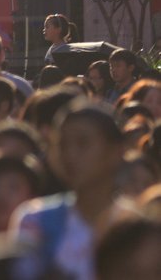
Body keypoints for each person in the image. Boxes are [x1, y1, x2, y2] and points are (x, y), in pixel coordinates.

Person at [12, 102, 136, 280]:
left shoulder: (139, 227)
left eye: (83, 143)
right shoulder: (35, 219)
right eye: (62, 144)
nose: (70, 154)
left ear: (116, 151)